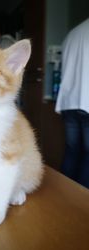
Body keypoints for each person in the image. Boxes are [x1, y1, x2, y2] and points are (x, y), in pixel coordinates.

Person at [55, 18, 89, 188]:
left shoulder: (72, 34)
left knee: (72, 151)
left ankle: (65, 195)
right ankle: (82, 203)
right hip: (87, 101)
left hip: (69, 102)